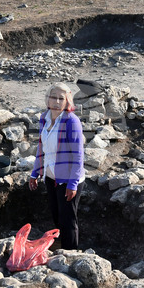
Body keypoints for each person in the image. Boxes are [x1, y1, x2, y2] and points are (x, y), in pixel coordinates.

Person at [29, 83, 86, 250]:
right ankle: (61, 243)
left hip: (69, 178)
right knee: (56, 214)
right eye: (53, 97)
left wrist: (72, 183)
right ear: (48, 98)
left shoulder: (71, 121)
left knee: (68, 219)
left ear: (67, 101)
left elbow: (78, 155)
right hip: (51, 175)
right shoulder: (44, 118)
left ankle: (71, 253)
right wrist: (36, 172)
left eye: (61, 98)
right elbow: (42, 146)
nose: (57, 101)